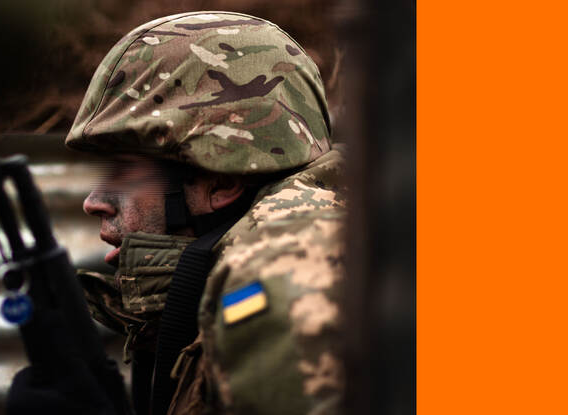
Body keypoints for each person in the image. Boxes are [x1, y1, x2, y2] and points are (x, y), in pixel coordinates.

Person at [18, 11, 348, 415]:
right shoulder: (255, 267)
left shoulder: (284, 278)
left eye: (124, 171)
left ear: (222, 182)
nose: (93, 201)